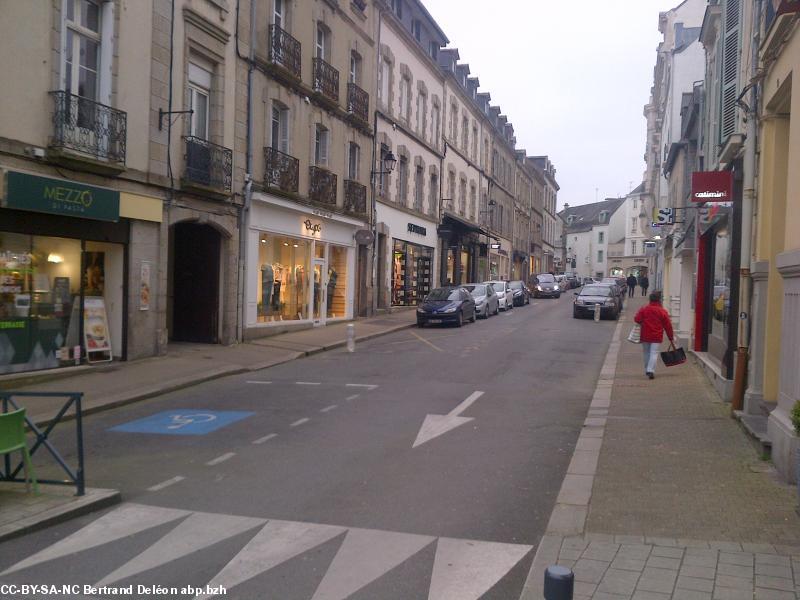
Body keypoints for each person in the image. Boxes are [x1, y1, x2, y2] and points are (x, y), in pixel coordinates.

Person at [634, 291, 674, 379]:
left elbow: (637, 319)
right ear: (659, 300)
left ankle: (647, 370)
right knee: (654, 353)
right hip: (657, 335)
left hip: (645, 334)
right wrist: (670, 337)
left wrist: (643, 321)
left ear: (650, 299)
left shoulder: (644, 309)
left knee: (646, 353)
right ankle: (650, 370)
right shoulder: (662, 311)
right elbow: (668, 325)